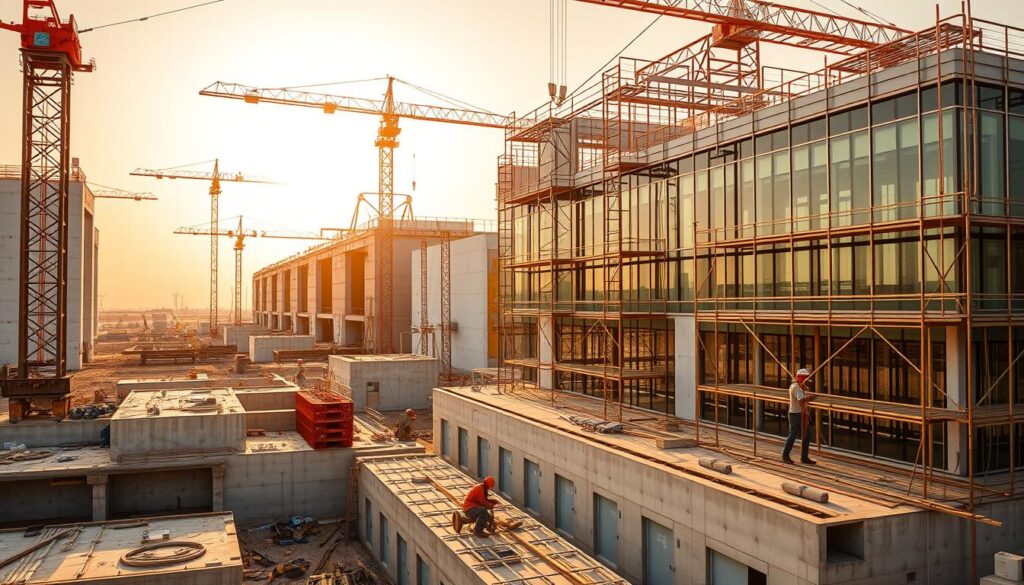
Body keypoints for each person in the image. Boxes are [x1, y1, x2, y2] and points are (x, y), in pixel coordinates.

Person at [782, 368, 817, 465]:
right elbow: (801, 400)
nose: (806, 380)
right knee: (792, 435)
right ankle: (785, 456)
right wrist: (810, 398)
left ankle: (804, 457)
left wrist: (804, 388)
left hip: (800, 413)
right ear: (801, 377)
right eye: (805, 378)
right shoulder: (796, 387)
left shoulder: (798, 386)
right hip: (795, 414)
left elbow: (805, 391)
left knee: (806, 434)